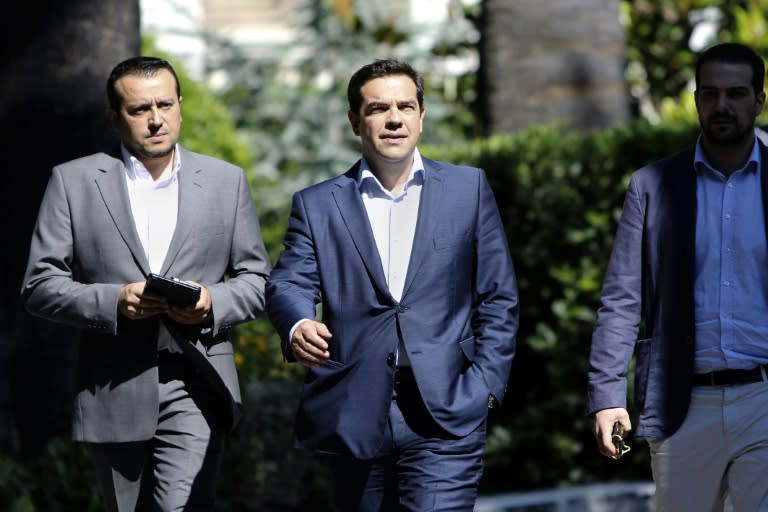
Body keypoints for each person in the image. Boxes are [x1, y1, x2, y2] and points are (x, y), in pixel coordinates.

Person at [266, 59, 519, 511]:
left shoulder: (468, 189)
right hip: (354, 406)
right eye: (379, 108)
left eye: (406, 105)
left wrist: (485, 385)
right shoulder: (318, 204)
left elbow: (498, 296)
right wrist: (298, 322)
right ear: (355, 121)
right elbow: (289, 282)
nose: (395, 118)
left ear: (422, 115)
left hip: (447, 406)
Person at [21, 56, 271, 511]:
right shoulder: (74, 181)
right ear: (114, 118)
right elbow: (39, 285)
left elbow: (256, 279)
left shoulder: (224, 181)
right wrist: (112, 301)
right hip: (113, 384)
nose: (156, 120)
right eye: (139, 110)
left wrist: (213, 300)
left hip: (197, 379)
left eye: (165, 104)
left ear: (180, 105)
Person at [587, 42, 768, 510]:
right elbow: (622, 299)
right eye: (710, 94)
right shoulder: (653, 185)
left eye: (736, 94)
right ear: (696, 100)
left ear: (759, 101)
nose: (722, 106)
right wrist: (607, 395)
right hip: (682, 404)